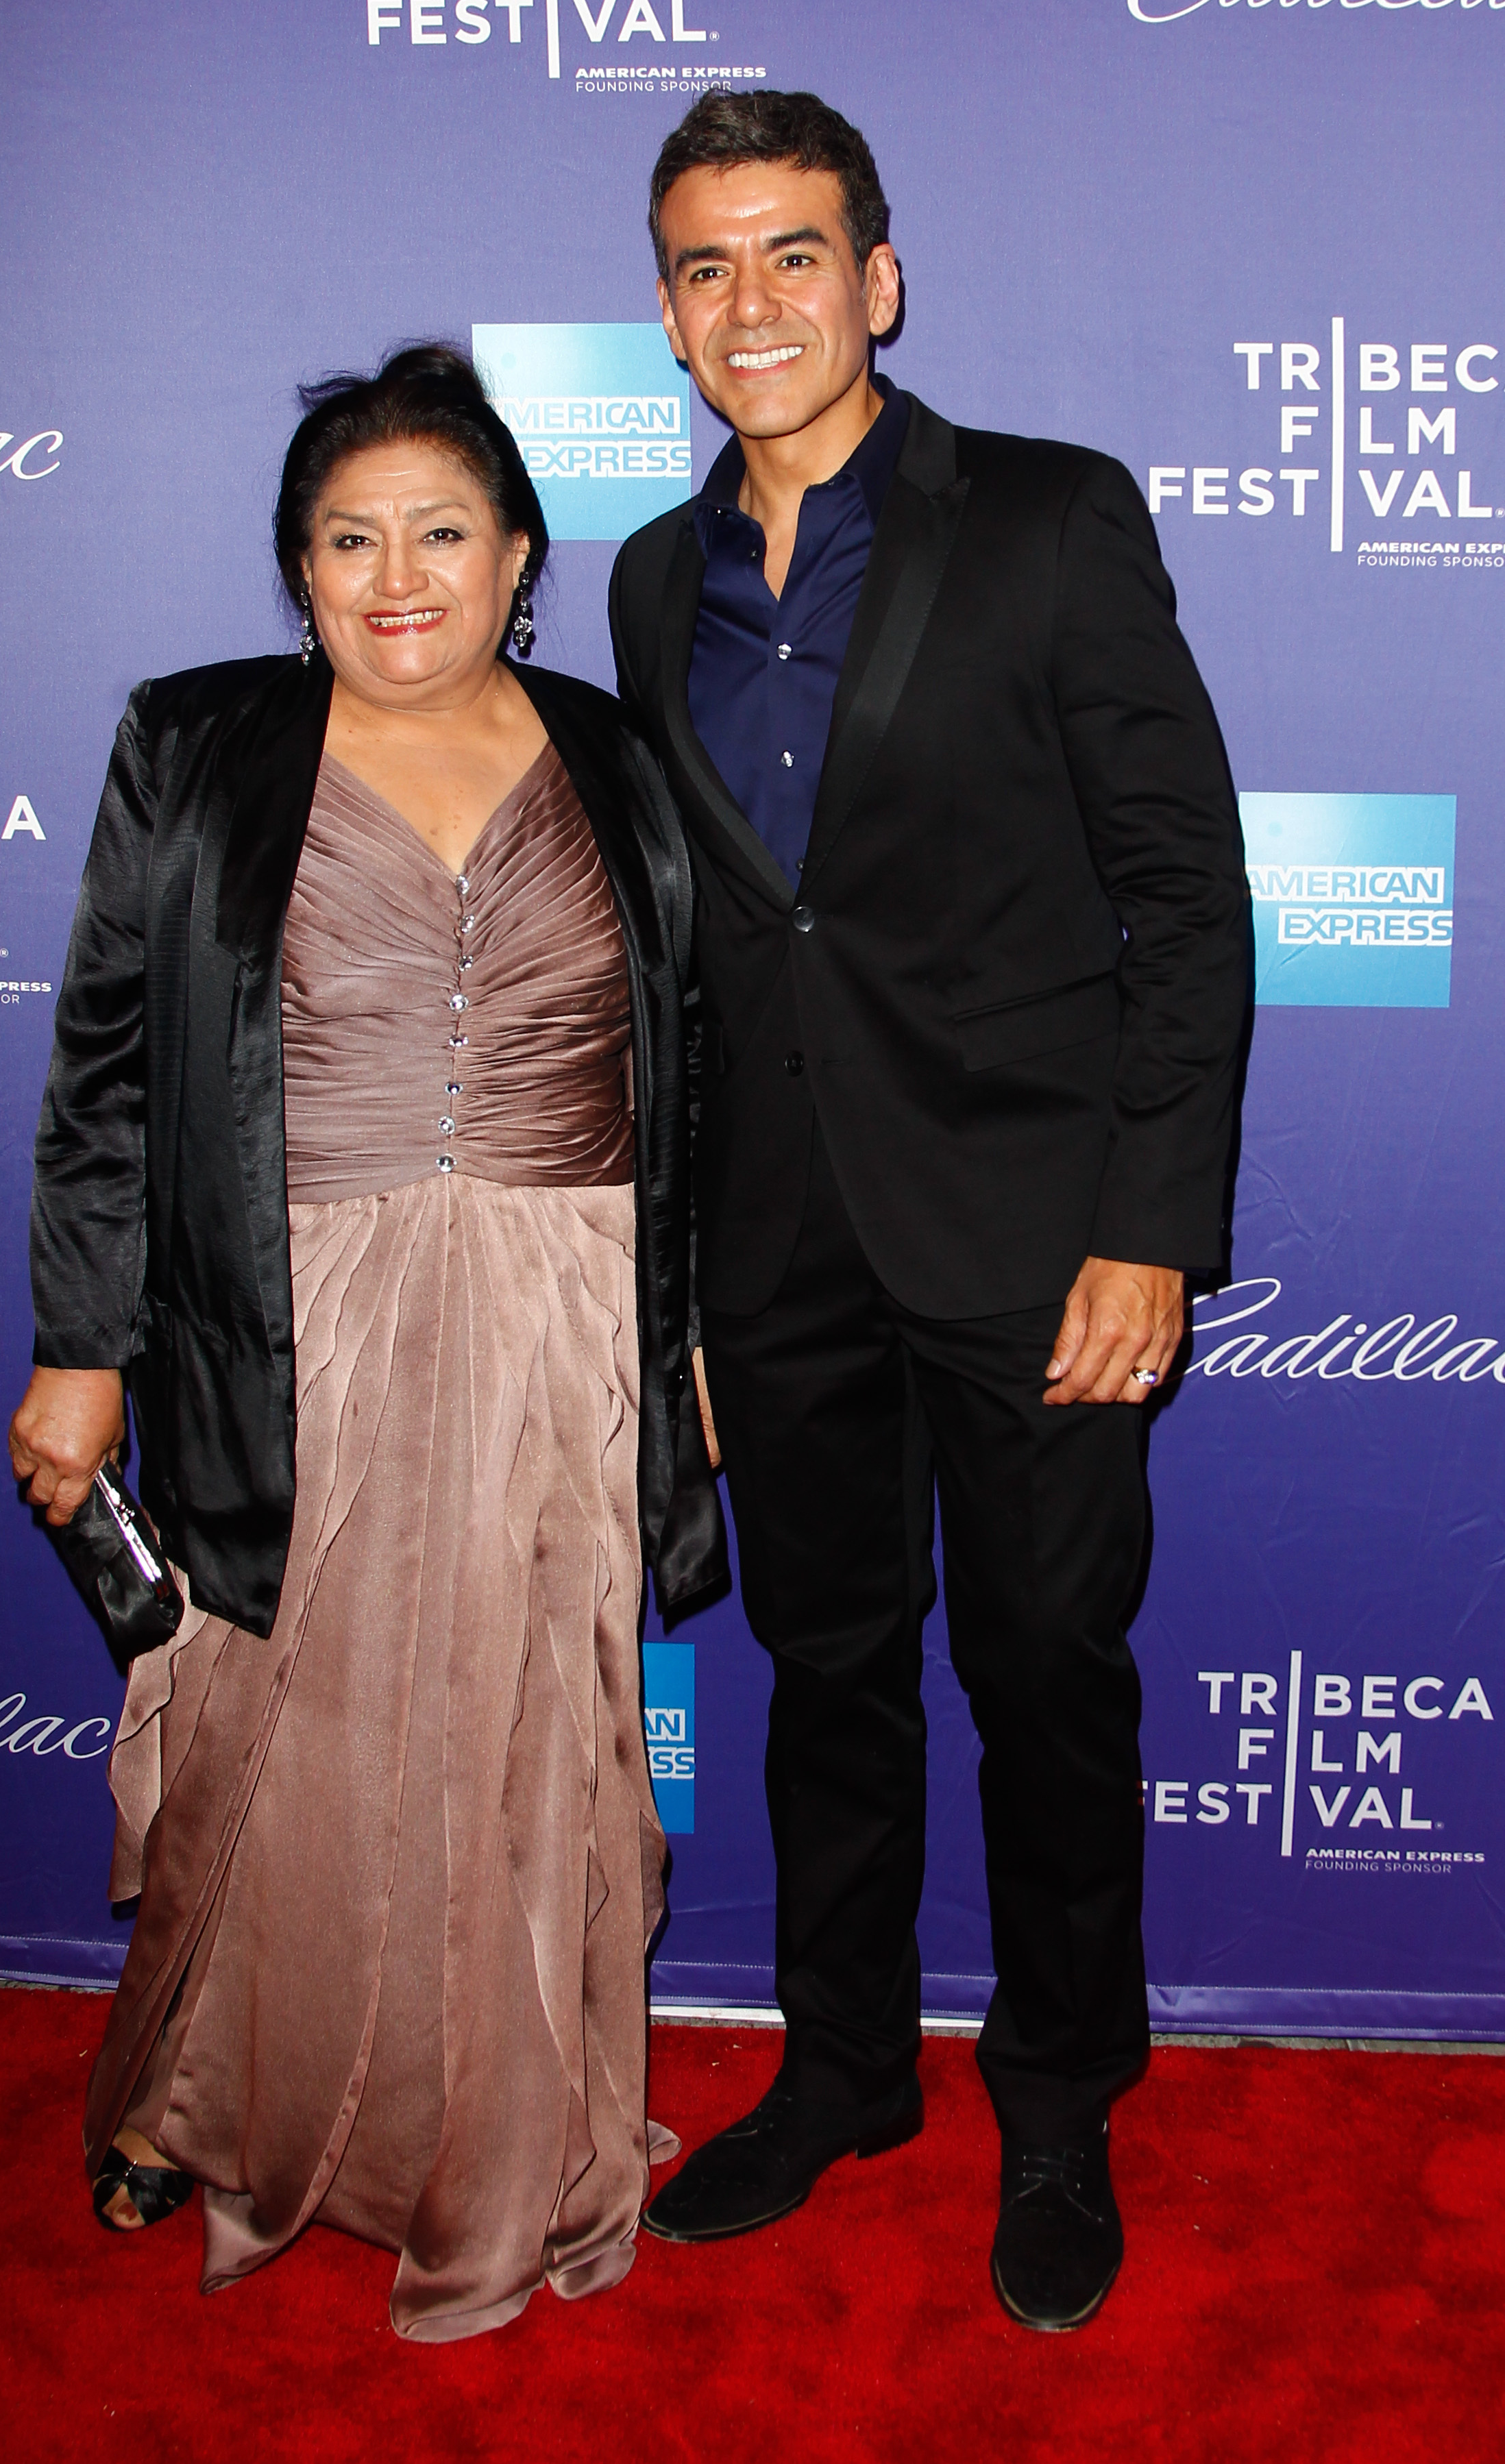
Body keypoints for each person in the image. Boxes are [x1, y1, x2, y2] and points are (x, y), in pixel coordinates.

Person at [8, 343, 724, 2343]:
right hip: (287, 1321)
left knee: (521, 1746)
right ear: (298, 569)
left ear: (517, 555)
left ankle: (503, 2134)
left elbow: (699, 1075)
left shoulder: (622, 751)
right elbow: (107, 1075)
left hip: (566, 1310)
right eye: (347, 539)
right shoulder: (195, 741)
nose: (395, 575)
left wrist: (690, 1342)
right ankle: (189, 2093)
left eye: (441, 532)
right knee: (264, 1742)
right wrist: (83, 1341)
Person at [609, 93, 1249, 2330]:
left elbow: (1187, 893)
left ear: (879, 279)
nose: (753, 302)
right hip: (780, 1254)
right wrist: (678, 1273)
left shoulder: (1053, 522)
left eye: (796, 253)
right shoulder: (651, 577)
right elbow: (701, 955)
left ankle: (1060, 2094)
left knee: (1048, 1678)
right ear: (667, 313)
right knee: (826, 1675)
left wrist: (1152, 1224)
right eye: (707, 266)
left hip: (1039, 1236)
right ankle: (847, 2064)